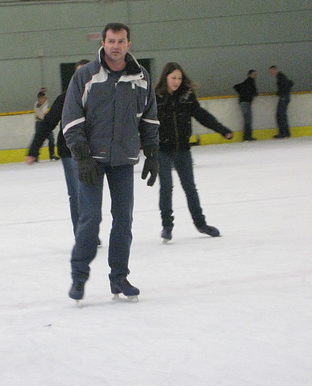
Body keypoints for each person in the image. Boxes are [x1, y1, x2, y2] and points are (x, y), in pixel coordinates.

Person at [62, 23, 160, 302]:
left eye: (121, 41)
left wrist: (151, 152)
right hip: (92, 160)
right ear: (103, 43)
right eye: (111, 40)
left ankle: (119, 278)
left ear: (129, 44)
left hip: (123, 159)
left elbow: (149, 118)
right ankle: (78, 277)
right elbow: (71, 118)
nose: (115, 45)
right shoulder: (85, 76)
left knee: (123, 220)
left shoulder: (141, 77)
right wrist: (81, 157)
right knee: (90, 218)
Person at [155, 62, 233, 242]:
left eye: (179, 78)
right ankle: (167, 226)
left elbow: (203, 116)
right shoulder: (156, 97)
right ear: (165, 77)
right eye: (173, 77)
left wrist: (222, 129)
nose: (176, 81)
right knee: (166, 188)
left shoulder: (187, 97)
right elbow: (143, 122)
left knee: (190, 188)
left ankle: (201, 224)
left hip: (182, 149)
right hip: (162, 149)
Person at [25, 60, 90, 237]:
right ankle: (82, 233)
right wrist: (33, 150)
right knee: (76, 193)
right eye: (78, 73)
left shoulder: (100, 97)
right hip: (70, 151)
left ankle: (89, 229)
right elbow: (46, 124)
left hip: (93, 152)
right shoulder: (65, 98)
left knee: (90, 193)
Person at [32, 91, 59, 161]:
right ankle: (35, 156)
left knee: (51, 139)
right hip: (40, 123)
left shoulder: (46, 104)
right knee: (39, 140)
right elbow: (40, 115)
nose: (44, 100)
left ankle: (52, 155)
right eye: (42, 98)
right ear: (39, 99)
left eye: (44, 98)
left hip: (47, 123)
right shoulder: (37, 105)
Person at [269, 65, 294, 138]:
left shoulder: (281, 77)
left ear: (275, 70)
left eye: (271, 71)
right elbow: (289, 83)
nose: (271, 73)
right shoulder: (281, 77)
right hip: (284, 96)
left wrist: (280, 93)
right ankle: (285, 132)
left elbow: (286, 85)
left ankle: (284, 133)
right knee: (281, 115)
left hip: (283, 97)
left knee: (280, 115)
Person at [233, 69, 258, 141]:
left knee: (247, 119)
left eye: (255, 74)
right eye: (254, 74)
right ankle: (247, 136)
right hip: (245, 102)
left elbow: (236, 86)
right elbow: (254, 92)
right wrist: (248, 95)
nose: (255, 76)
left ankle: (247, 136)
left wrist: (242, 94)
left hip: (244, 102)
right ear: (249, 75)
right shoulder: (250, 82)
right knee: (248, 119)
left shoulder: (246, 82)